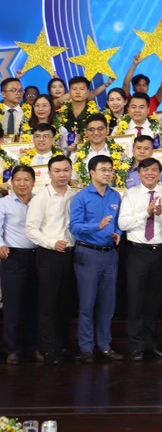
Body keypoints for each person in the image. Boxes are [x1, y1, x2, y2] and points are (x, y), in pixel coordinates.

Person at [69, 155, 124, 362]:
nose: (108, 173)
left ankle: (105, 346)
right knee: (87, 303)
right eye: (103, 169)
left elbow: (118, 223)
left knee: (108, 304)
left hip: (110, 254)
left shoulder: (115, 196)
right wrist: (96, 226)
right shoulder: (81, 197)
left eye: (110, 169)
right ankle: (86, 349)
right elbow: (74, 227)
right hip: (88, 253)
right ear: (92, 172)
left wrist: (118, 233)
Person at [117, 157, 162, 360]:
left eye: (154, 170)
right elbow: (123, 224)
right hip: (137, 252)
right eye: (146, 170)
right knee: (135, 299)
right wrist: (145, 212)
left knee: (154, 300)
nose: (150, 173)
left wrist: (161, 214)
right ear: (139, 173)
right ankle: (136, 346)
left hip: (160, 251)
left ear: (160, 173)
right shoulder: (130, 194)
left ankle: (152, 343)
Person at [25, 156, 77, 364]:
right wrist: (51, 243)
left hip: (71, 254)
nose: (62, 174)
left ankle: (62, 346)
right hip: (49, 255)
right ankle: (48, 350)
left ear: (71, 171)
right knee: (48, 304)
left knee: (65, 303)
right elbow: (31, 229)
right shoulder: (41, 199)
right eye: (57, 171)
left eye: (66, 170)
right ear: (49, 173)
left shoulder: (75, 195)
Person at [0, 166, 38, 364]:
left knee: (35, 305)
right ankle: (12, 349)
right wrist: (0, 244)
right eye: (18, 180)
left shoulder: (39, 201)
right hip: (13, 257)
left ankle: (33, 347)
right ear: (12, 182)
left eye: (26, 179)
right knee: (13, 306)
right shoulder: (4, 203)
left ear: (33, 182)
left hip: (38, 256)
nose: (22, 184)